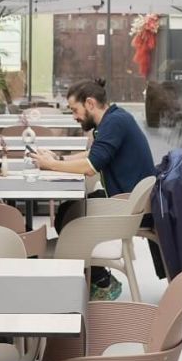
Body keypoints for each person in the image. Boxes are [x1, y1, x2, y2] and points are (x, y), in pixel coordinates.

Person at [28, 77, 157, 300]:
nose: (74, 116)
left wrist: (50, 165)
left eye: (74, 110)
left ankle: (102, 282)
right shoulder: (115, 118)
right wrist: (58, 158)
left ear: (89, 103)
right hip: (127, 199)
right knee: (68, 210)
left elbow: (90, 167)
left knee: (71, 216)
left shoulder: (114, 122)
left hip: (130, 207)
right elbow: (94, 154)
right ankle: (94, 278)